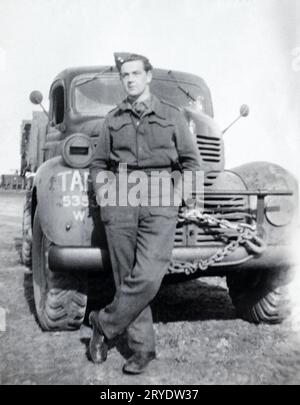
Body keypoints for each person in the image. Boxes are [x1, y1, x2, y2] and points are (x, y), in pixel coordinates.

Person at [89, 53, 201, 374]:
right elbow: (98, 163)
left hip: (160, 197)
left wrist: (178, 196)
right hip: (121, 196)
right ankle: (142, 350)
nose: (131, 80)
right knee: (126, 276)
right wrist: (104, 193)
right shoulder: (113, 119)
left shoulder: (171, 114)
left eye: (136, 73)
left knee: (149, 275)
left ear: (149, 76)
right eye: (125, 75)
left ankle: (103, 324)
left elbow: (191, 162)